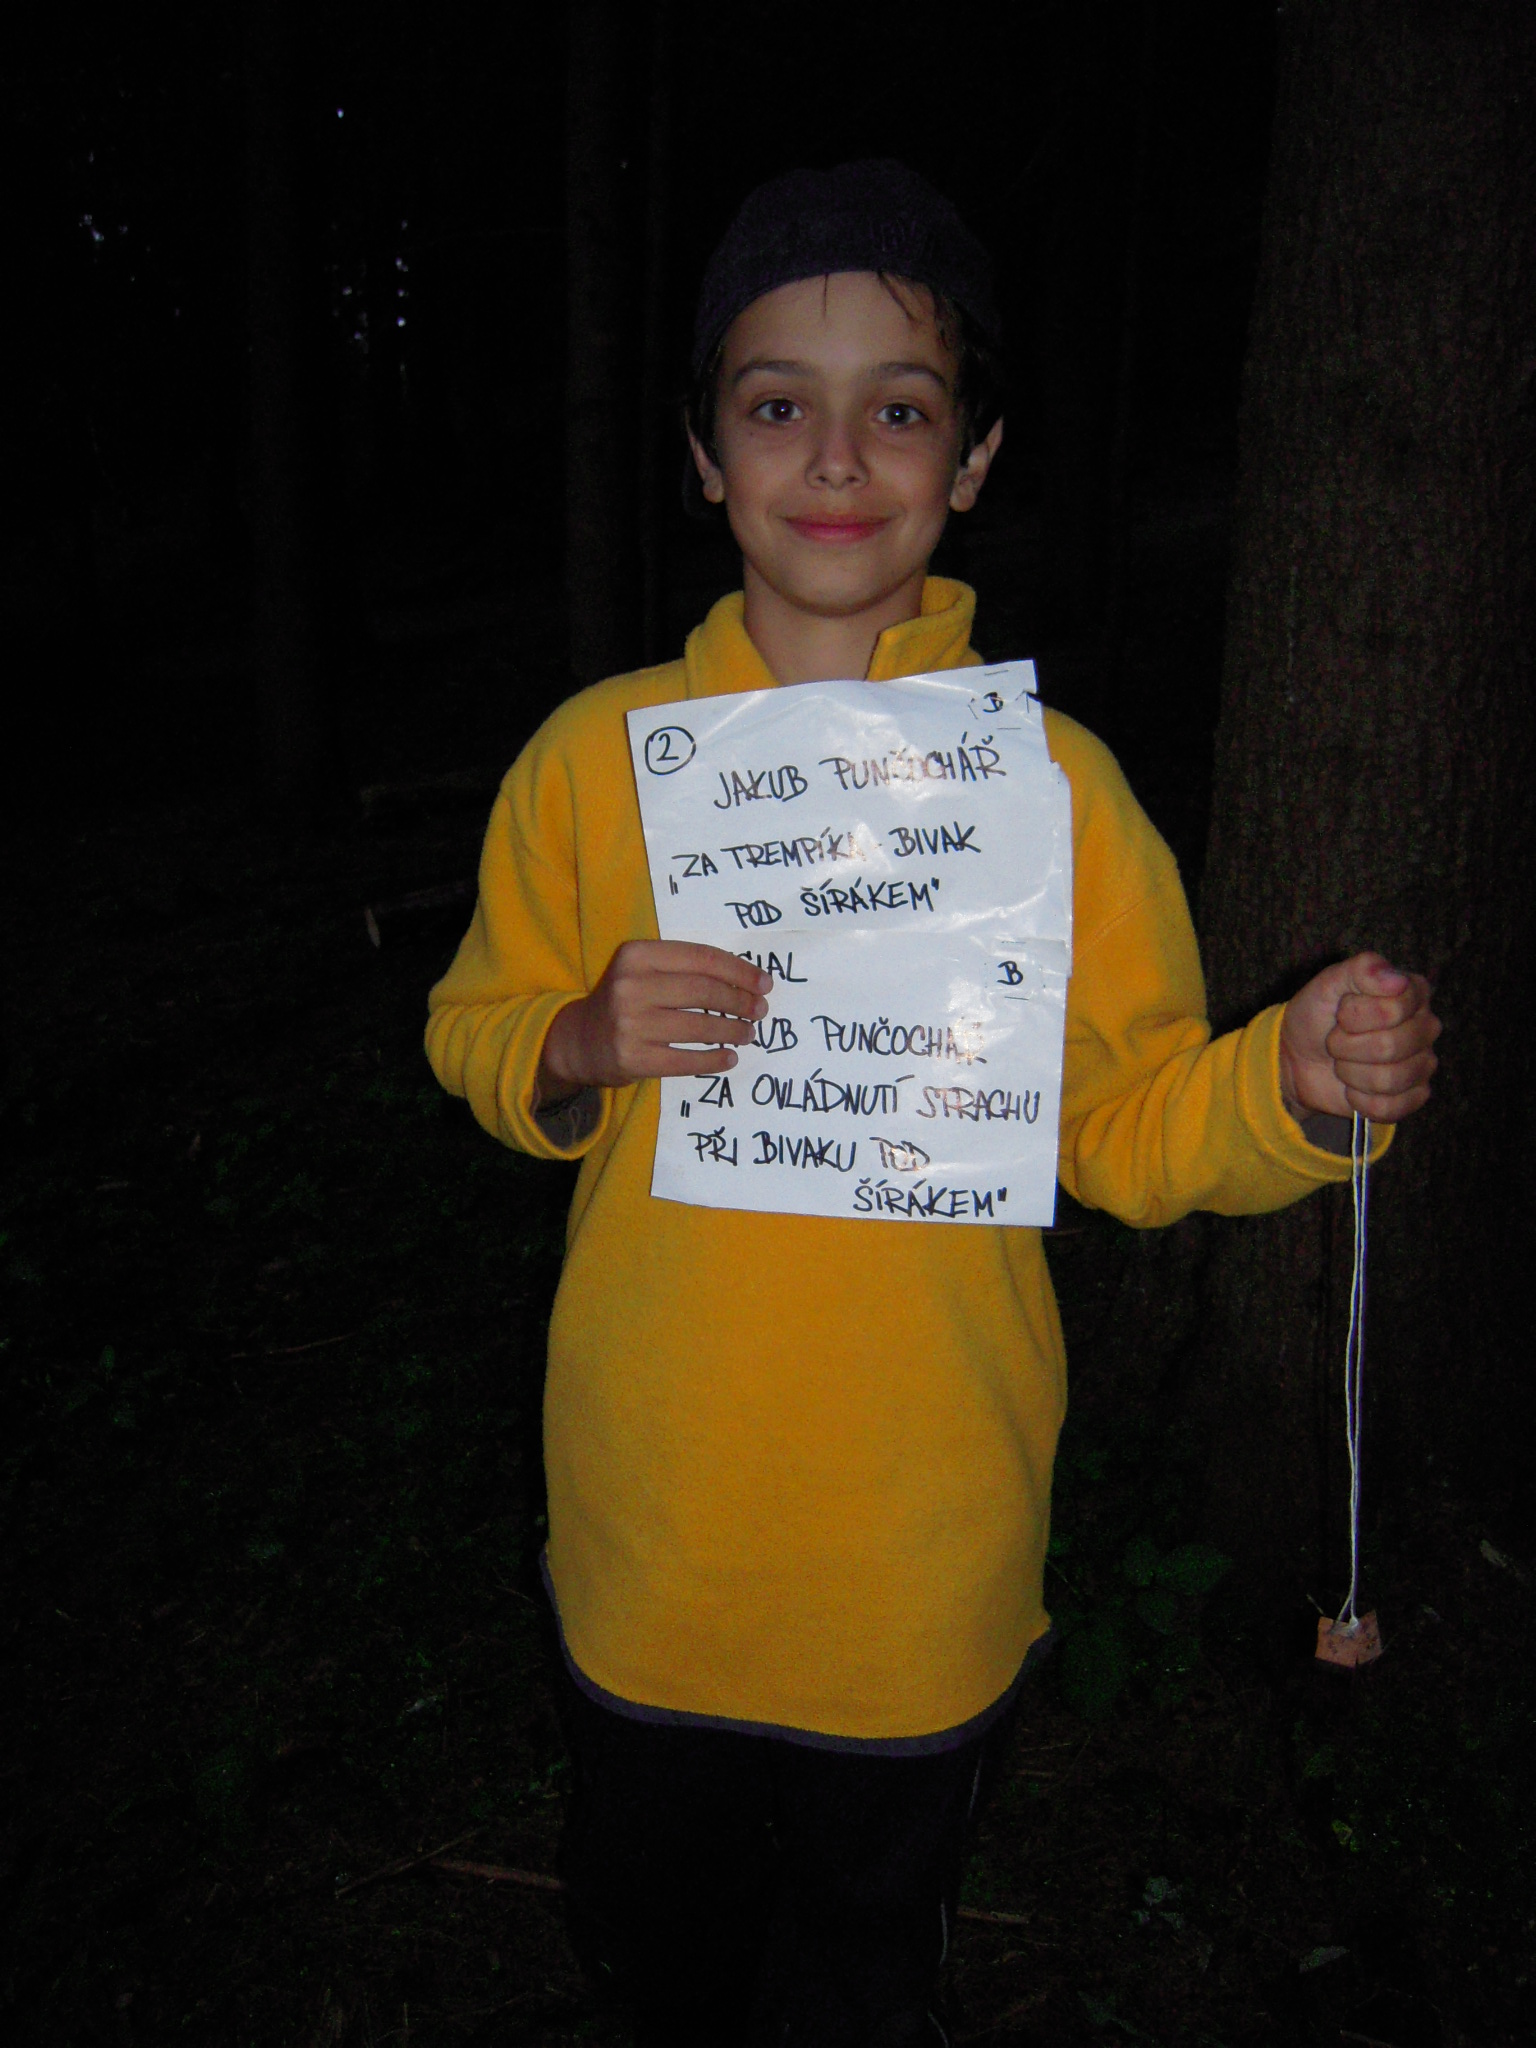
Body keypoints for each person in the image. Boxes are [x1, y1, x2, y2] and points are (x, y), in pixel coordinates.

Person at [424, 160, 1440, 2047]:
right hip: (651, 1534)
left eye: (898, 410)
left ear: (971, 462)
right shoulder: (589, 764)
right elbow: (469, 1030)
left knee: (863, 1972)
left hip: (925, 1557)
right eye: (775, 405)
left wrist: (1289, 1089)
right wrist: (565, 1045)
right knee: (657, 1947)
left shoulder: (1049, 790)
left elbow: (1124, 1126)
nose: (835, 456)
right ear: (702, 455)